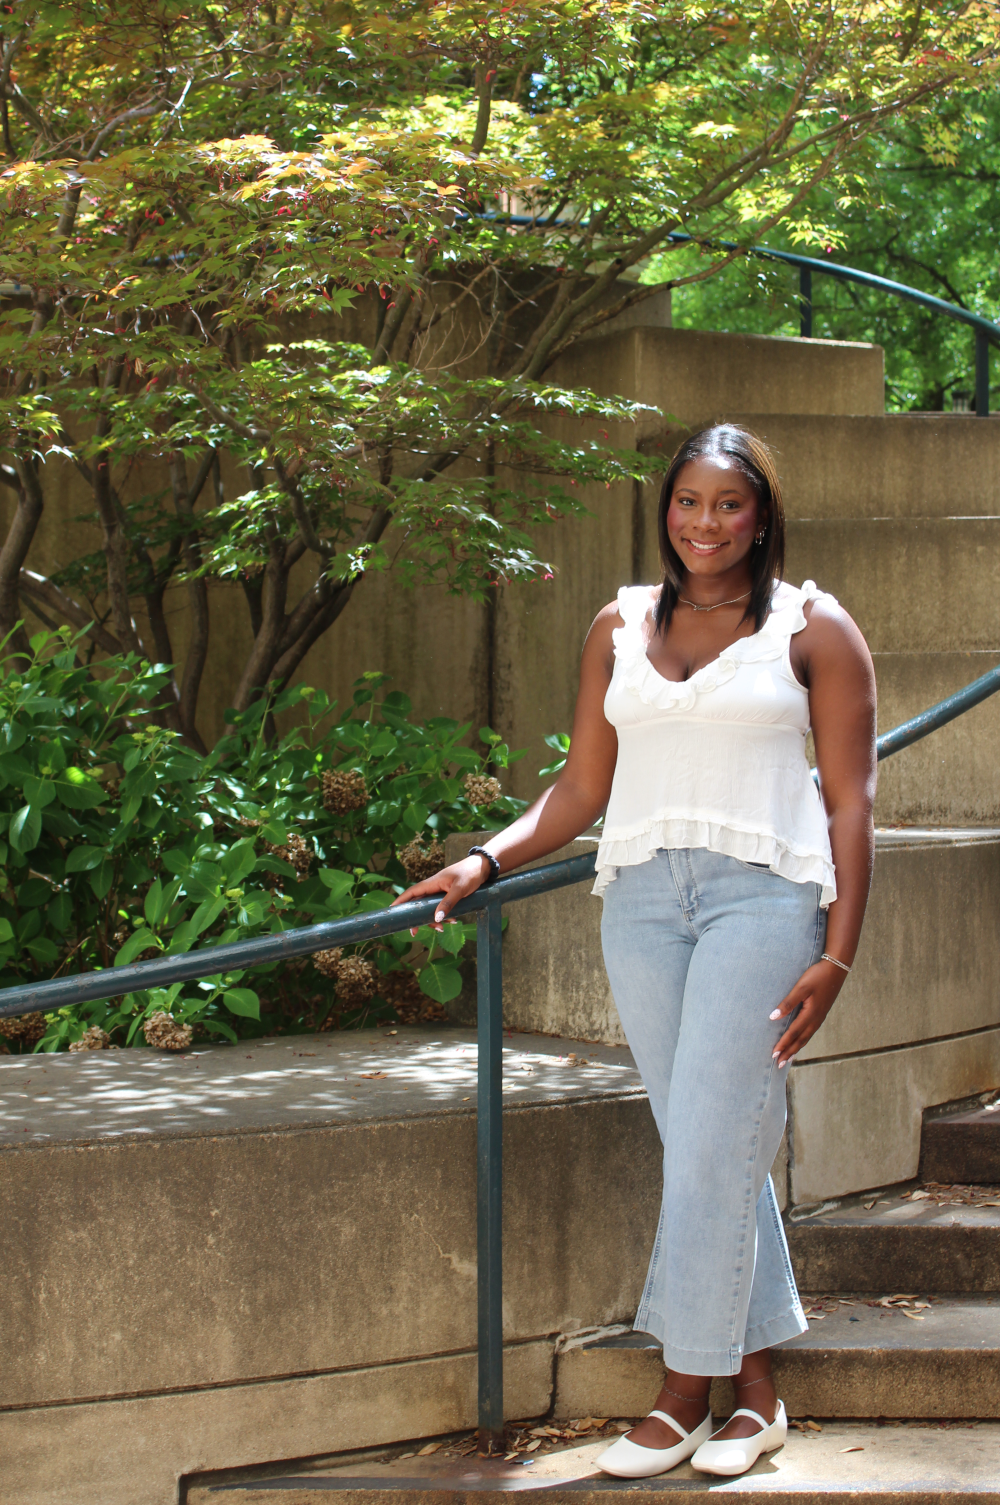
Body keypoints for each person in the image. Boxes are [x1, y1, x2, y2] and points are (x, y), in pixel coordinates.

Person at [392, 423, 876, 1479]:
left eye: (728, 504)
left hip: (764, 898)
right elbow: (579, 787)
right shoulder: (618, 622)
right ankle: (755, 1393)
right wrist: (485, 855)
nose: (705, 522)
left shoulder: (812, 627)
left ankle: (679, 1394)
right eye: (687, 502)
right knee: (710, 1144)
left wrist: (835, 955)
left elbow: (851, 799)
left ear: (761, 515)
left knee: (709, 1142)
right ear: (665, 510)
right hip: (642, 902)